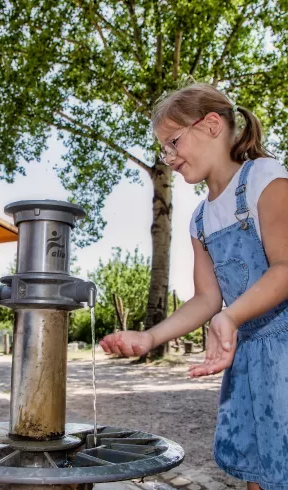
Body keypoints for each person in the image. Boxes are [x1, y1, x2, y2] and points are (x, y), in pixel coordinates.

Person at [100, 84, 288, 490]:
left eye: (173, 142)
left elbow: (285, 268)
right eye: (163, 150)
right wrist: (149, 337)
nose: (169, 157)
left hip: (284, 350)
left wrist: (231, 316)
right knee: (256, 471)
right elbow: (207, 298)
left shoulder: (265, 178)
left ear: (212, 125)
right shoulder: (200, 219)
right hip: (246, 358)